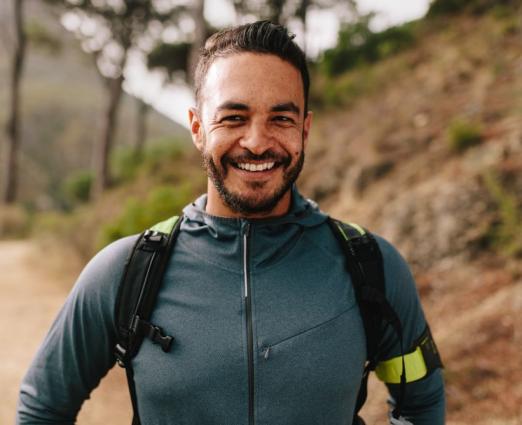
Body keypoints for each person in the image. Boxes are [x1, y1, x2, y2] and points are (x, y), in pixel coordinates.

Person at [17, 21, 445, 425]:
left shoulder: (372, 267)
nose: (257, 141)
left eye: (281, 118)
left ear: (305, 130)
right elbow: (42, 408)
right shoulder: (125, 272)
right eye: (233, 118)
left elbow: (421, 403)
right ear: (198, 127)